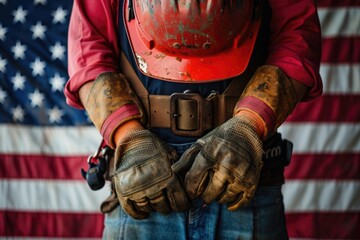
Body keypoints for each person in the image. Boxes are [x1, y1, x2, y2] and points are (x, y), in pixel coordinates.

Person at [64, 0, 322, 239]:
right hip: (142, 180)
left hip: (245, 175)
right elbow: (89, 48)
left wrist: (248, 126)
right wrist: (128, 137)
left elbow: (296, 35)